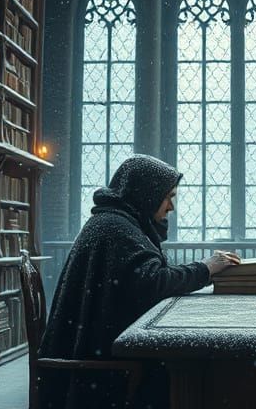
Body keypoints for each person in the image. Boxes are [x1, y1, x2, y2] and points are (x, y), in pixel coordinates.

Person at [39, 154, 241, 409]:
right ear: (147, 193)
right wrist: (205, 268)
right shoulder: (116, 228)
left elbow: (147, 277)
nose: (171, 207)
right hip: (105, 369)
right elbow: (154, 283)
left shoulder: (117, 222)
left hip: (99, 354)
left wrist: (201, 269)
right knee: (193, 372)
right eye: (169, 197)